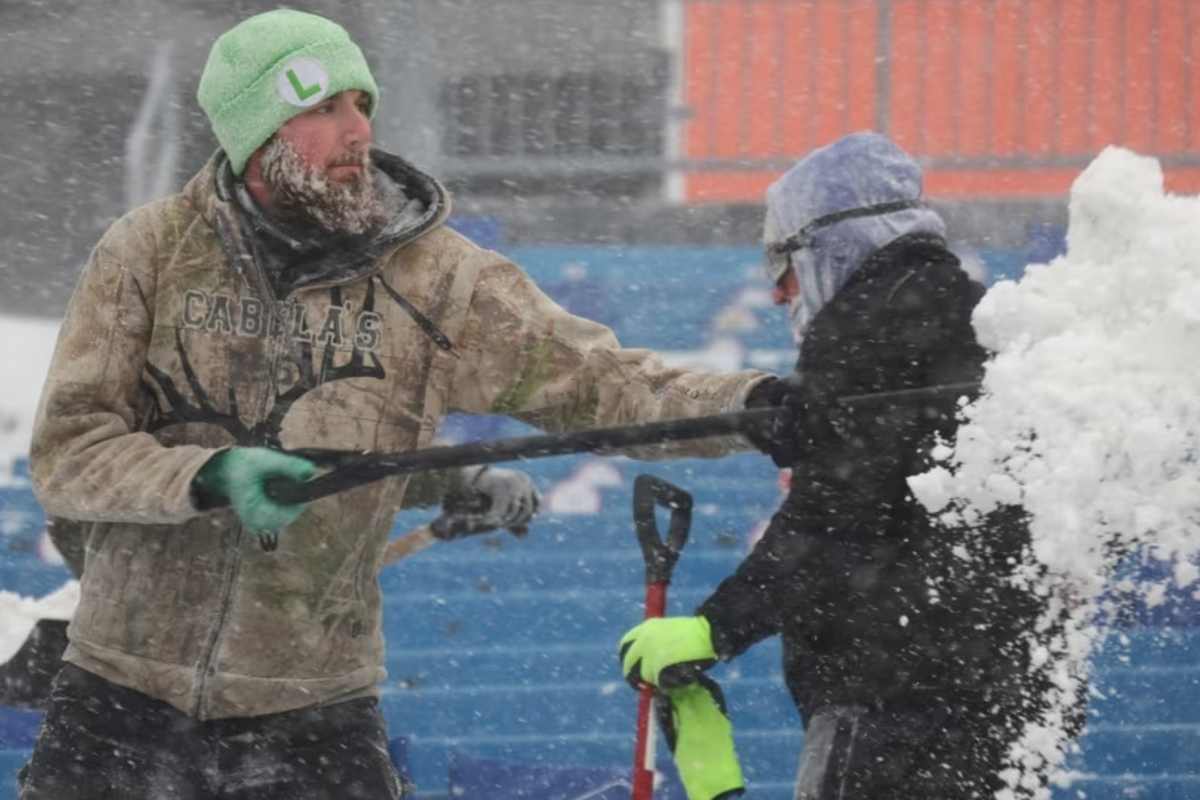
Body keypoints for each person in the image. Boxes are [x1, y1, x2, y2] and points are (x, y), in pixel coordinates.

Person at [22, 10, 774, 798]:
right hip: (118, 699)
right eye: (324, 108)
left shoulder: (438, 280)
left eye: (361, 104)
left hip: (314, 705)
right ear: (257, 133)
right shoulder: (149, 253)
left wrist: (751, 402)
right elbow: (71, 454)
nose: (357, 131)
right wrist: (208, 477)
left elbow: (606, 384)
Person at [619, 132, 1085, 799]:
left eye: (782, 261)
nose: (780, 293)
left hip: (899, 701)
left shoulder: (866, 323)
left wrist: (714, 628)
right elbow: (888, 476)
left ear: (829, 242)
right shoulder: (969, 312)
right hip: (1006, 693)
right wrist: (799, 417)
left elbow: (835, 523)